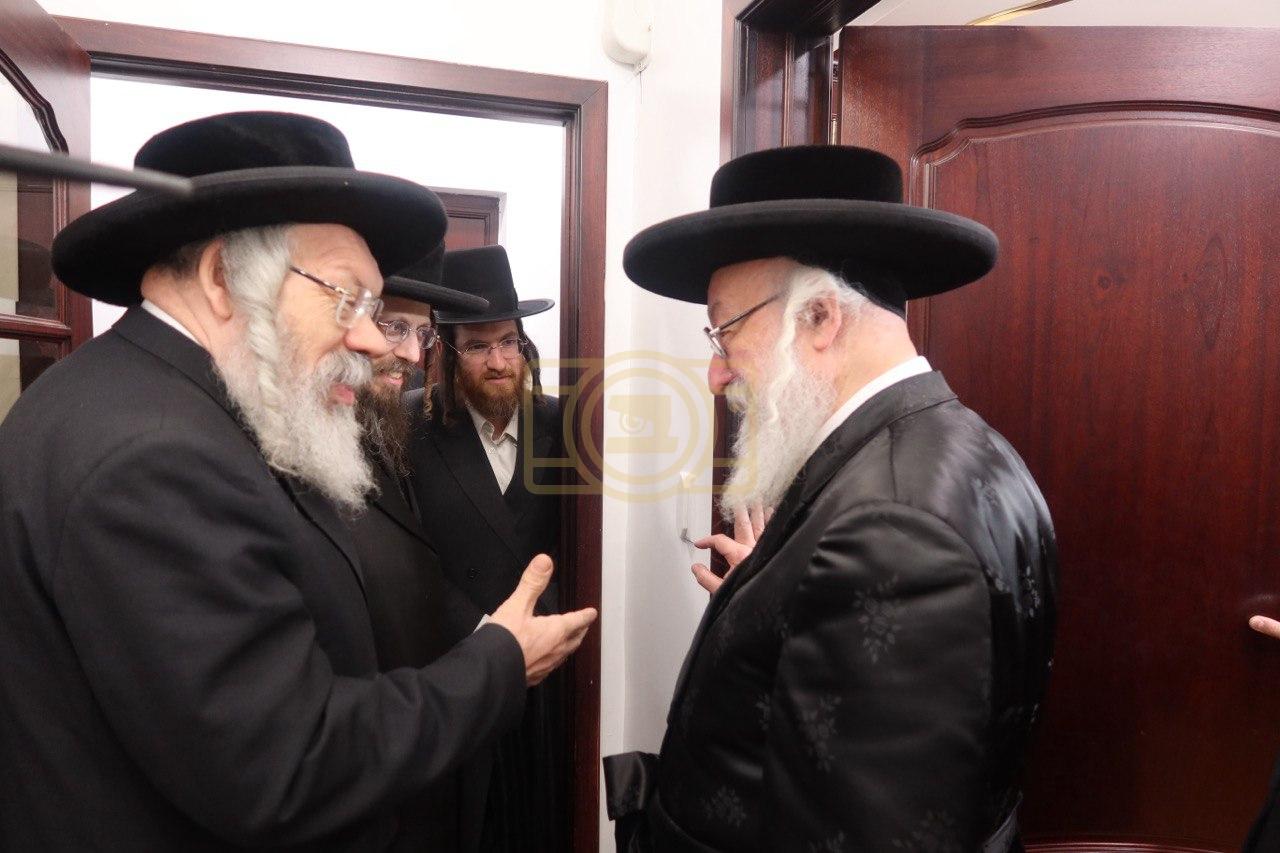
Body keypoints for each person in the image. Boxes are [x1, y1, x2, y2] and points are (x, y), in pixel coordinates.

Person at [0, 111, 596, 851]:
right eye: (348, 299)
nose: (373, 339)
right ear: (223, 279)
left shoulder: (156, 399)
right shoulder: (154, 457)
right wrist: (500, 661)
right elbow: (284, 766)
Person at [604, 144, 1058, 852]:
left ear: (820, 317)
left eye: (725, 332)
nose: (715, 375)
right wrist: (774, 588)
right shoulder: (951, 445)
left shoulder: (892, 531)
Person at [405, 244, 566, 851]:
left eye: (508, 342)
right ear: (447, 351)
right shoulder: (409, 428)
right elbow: (406, 556)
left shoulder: (563, 423)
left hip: (544, 673)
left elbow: (573, 545)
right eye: (477, 346)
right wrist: (485, 636)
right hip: (455, 668)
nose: (498, 362)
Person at [345, 244, 492, 852]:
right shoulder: (306, 441)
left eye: (422, 334)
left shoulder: (382, 426)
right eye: (393, 327)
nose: (409, 354)